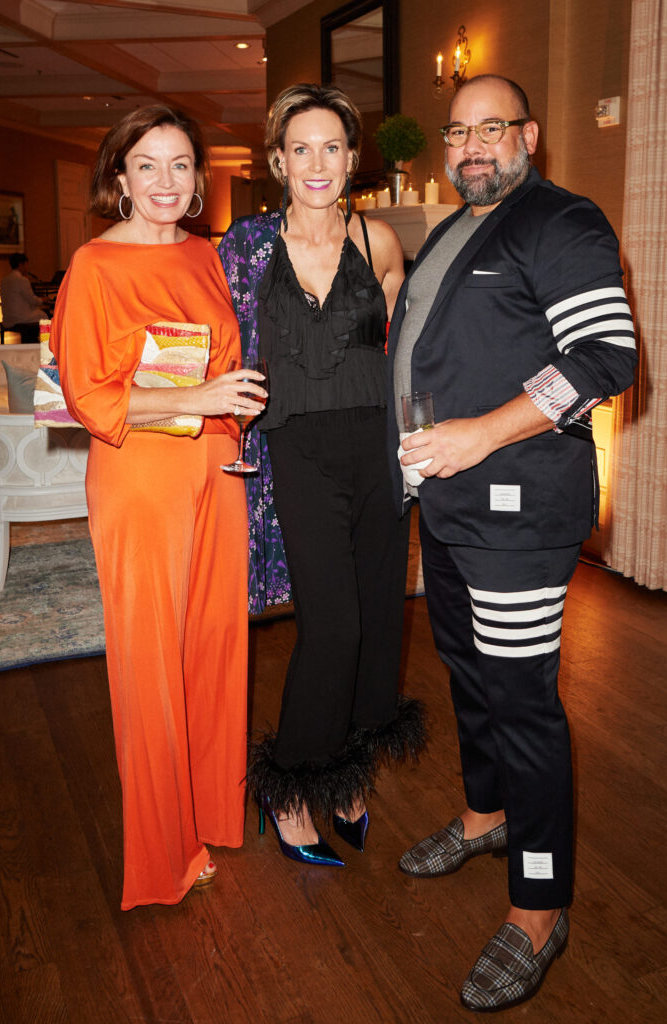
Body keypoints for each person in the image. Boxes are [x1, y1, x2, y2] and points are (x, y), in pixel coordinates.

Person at [388, 75, 637, 1011]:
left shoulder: (562, 221)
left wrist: (478, 434)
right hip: (450, 507)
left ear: (529, 133)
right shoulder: (456, 227)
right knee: (470, 674)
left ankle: (539, 905)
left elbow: (605, 360)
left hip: (517, 511)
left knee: (524, 702)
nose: (471, 146)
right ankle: (488, 815)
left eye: (491, 128)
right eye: (458, 133)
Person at [50, 105, 266, 911]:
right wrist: (206, 390)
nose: (168, 181)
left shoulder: (208, 256)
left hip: (216, 466)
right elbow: (78, 395)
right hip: (139, 477)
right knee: (150, 660)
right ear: (120, 178)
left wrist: (233, 400)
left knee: (213, 647)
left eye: (182, 165)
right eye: (149, 165)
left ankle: (209, 813)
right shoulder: (93, 265)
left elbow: (224, 356)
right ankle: (163, 851)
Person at [218, 83, 426, 868]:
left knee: (375, 621)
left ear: (351, 158)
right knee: (331, 625)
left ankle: (345, 772)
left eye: (331, 147)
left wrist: (421, 442)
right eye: (299, 148)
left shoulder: (379, 244)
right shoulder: (242, 246)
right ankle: (292, 785)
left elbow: (402, 355)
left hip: (373, 447)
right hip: (295, 453)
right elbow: (207, 337)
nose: (316, 163)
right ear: (277, 159)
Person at [0, 253, 47, 341]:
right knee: (45, 315)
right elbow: (32, 300)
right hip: (20, 318)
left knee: (38, 313)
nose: (27, 268)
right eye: (26, 264)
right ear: (21, 264)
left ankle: (31, 340)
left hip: (8, 318)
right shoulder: (22, 280)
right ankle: (45, 343)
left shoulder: (4, 280)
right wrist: (42, 300)